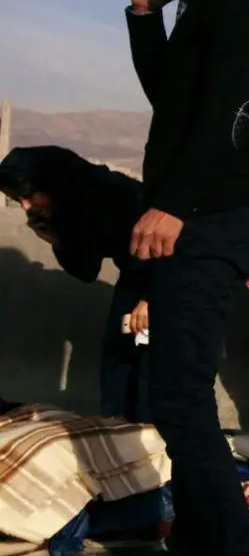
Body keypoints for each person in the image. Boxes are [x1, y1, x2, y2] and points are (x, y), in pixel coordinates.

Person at [99, 0, 249, 556]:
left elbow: (233, 116)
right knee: (170, 398)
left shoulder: (240, 2)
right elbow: (174, 99)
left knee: (180, 397)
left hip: (210, 222)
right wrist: (145, 14)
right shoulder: (202, 7)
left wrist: (174, 204)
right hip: (194, 218)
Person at [0, 146, 152, 422]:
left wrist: (151, 298)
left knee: (153, 377)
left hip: (167, 277)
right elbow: (85, 269)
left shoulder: (116, 194)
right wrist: (54, 236)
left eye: (27, 195)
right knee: (118, 373)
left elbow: (173, 247)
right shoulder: (72, 203)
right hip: (133, 281)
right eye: (16, 198)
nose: (25, 206)